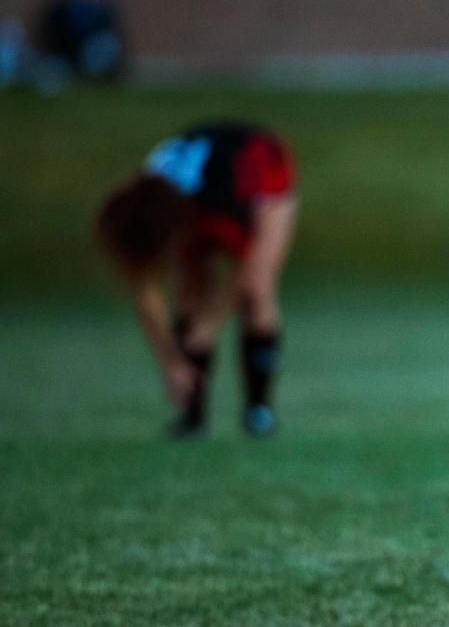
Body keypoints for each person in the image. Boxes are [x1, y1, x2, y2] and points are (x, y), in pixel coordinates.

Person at [95, 123, 297, 438]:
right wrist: (169, 361)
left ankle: (259, 410)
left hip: (262, 173)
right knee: (190, 292)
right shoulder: (147, 199)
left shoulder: (223, 199)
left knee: (258, 293)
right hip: (199, 193)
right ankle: (192, 412)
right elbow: (146, 291)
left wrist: (212, 324)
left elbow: (250, 268)